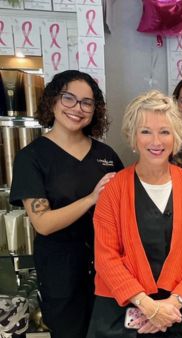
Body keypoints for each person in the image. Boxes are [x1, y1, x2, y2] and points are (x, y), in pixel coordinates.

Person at [87, 90, 182, 337]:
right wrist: (148, 306)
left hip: (178, 312)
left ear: (176, 136)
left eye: (164, 132)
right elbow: (106, 257)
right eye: (146, 131)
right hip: (119, 316)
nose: (156, 141)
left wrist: (171, 304)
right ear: (133, 137)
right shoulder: (114, 190)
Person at [9, 70, 123, 338]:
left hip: (107, 270)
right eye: (69, 98)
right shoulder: (32, 157)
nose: (77, 108)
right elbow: (44, 223)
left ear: (95, 110)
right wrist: (92, 198)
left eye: (87, 102)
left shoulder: (105, 156)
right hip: (60, 272)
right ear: (52, 101)